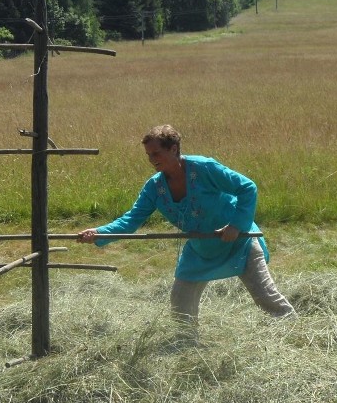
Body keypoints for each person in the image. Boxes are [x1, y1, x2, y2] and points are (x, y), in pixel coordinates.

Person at [77, 124, 294, 332]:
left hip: (239, 244)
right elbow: (132, 219)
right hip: (200, 250)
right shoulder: (155, 187)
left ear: (173, 149)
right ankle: (187, 345)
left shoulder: (204, 168)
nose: (152, 160)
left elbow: (247, 188)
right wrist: (98, 233)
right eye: (149, 155)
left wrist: (236, 226)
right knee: (181, 305)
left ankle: (295, 331)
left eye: (156, 154)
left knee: (267, 298)